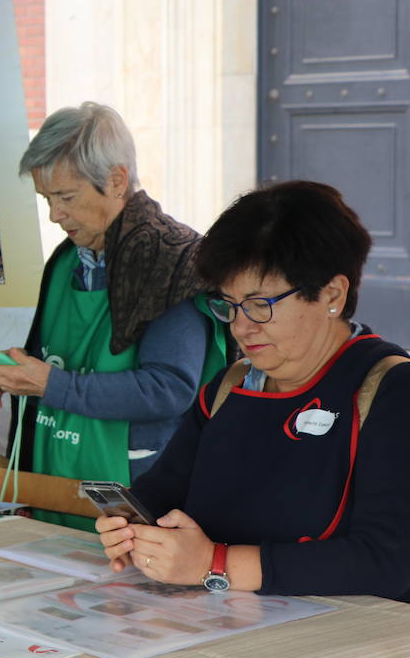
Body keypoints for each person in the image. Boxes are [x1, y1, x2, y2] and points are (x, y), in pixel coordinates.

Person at [99, 181, 410, 600]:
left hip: (337, 648)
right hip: (220, 629)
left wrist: (216, 563)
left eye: (260, 304)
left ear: (332, 294)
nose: (241, 327)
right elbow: (160, 494)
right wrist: (130, 528)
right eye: (228, 304)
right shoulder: (230, 387)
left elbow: (388, 562)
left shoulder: (390, 391)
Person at [0, 102, 226, 529]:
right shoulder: (66, 260)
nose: (54, 215)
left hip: (136, 492)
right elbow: (52, 360)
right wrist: (13, 373)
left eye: (66, 197)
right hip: (57, 477)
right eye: (46, 199)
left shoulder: (172, 260)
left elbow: (169, 389)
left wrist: (48, 383)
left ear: (116, 180)